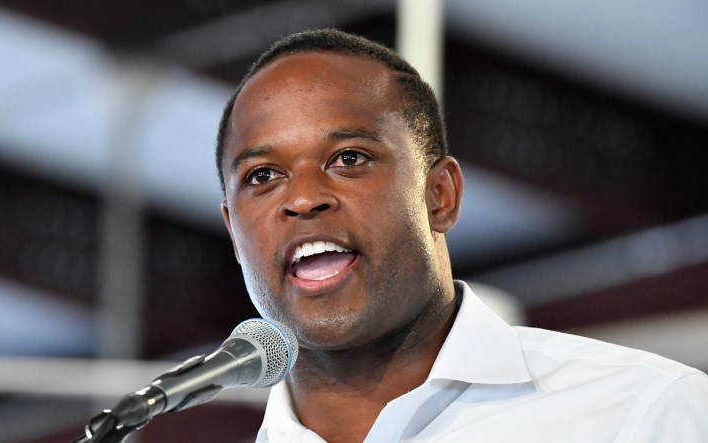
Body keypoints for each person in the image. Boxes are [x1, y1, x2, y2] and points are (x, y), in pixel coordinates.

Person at [215, 28, 708, 442]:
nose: (303, 198)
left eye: (349, 159)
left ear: (440, 196)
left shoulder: (641, 414)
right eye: (262, 176)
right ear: (235, 233)